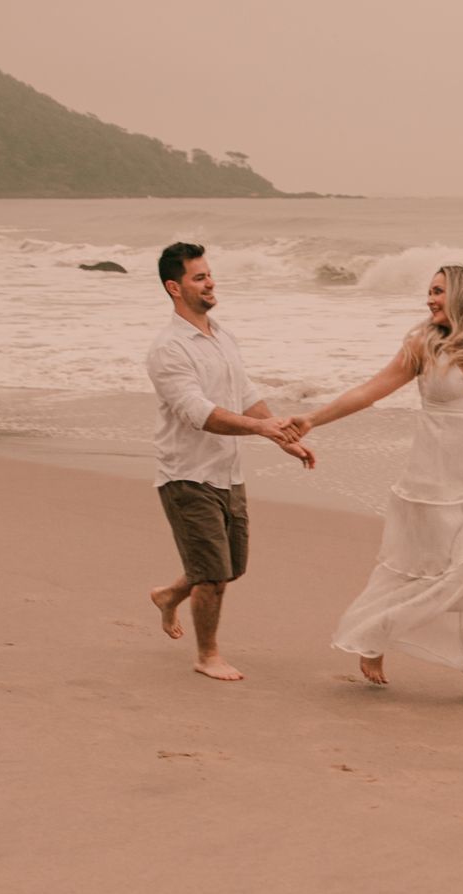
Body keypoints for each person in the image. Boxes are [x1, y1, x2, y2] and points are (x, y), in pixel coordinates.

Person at [289, 265, 463, 705]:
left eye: (437, 291)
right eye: (429, 292)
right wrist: (313, 419)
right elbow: (371, 391)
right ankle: (374, 637)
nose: (430, 299)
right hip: (433, 482)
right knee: (422, 570)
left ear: (462, 294)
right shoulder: (421, 345)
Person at [146, 241, 314, 682]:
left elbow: (244, 395)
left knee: (231, 567)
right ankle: (207, 655)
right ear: (174, 287)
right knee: (213, 576)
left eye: (209, 274)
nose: (210, 282)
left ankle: (168, 595)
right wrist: (260, 430)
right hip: (186, 475)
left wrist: (281, 434)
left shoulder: (222, 336)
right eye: (199, 277)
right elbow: (197, 413)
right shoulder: (168, 349)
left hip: (227, 472)